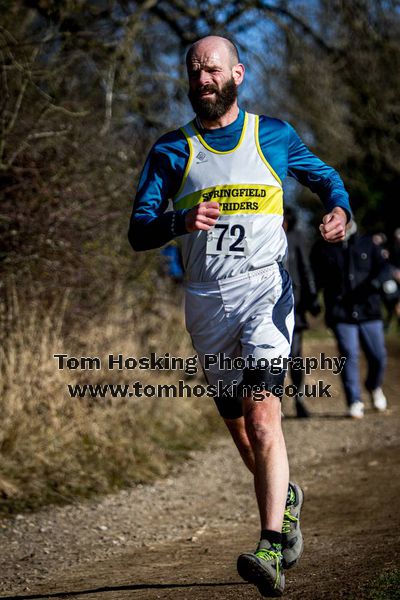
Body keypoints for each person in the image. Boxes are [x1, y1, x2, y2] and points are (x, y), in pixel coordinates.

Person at [128, 36, 350, 597]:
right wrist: (179, 223)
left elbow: (324, 178)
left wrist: (338, 208)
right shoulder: (170, 150)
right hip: (206, 300)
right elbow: (139, 229)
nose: (203, 78)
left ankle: (271, 546)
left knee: (262, 414)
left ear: (238, 74)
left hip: (263, 291)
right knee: (241, 430)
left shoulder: (272, 135)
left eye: (213, 69)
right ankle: (288, 499)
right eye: (195, 70)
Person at [311, 221, 389, 419]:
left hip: (369, 310)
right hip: (341, 313)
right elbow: (316, 278)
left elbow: (384, 268)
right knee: (348, 354)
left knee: (378, 356)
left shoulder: (368, 244)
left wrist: (376, 283)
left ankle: (373, 386)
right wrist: (313, 301)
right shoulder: (323, 248)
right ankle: (354, 400)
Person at [283, 207, 321, 418]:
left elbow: (306, 268)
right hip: (265, 305)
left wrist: (312, 297)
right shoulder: (262, 234)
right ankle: (272, 403)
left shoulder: (296, 238)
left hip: (293, 306)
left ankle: (299, 399)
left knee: (294, 355)